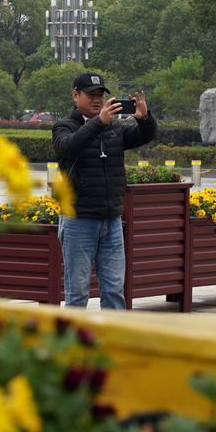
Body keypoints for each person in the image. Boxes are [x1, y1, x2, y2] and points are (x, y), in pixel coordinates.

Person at [52, 72, 157, 309]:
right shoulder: (63, 127)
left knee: (113, 292)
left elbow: (144, 135)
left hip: (111, 221)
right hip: (78, 220)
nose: (97, 100)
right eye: (91, 95)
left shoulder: (114, 128)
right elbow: (67, 148)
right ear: (75, 96)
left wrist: (144, 118)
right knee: (77, 295)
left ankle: (112, 345)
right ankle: (73, 345)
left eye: (100, 95)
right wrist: (98, 122)